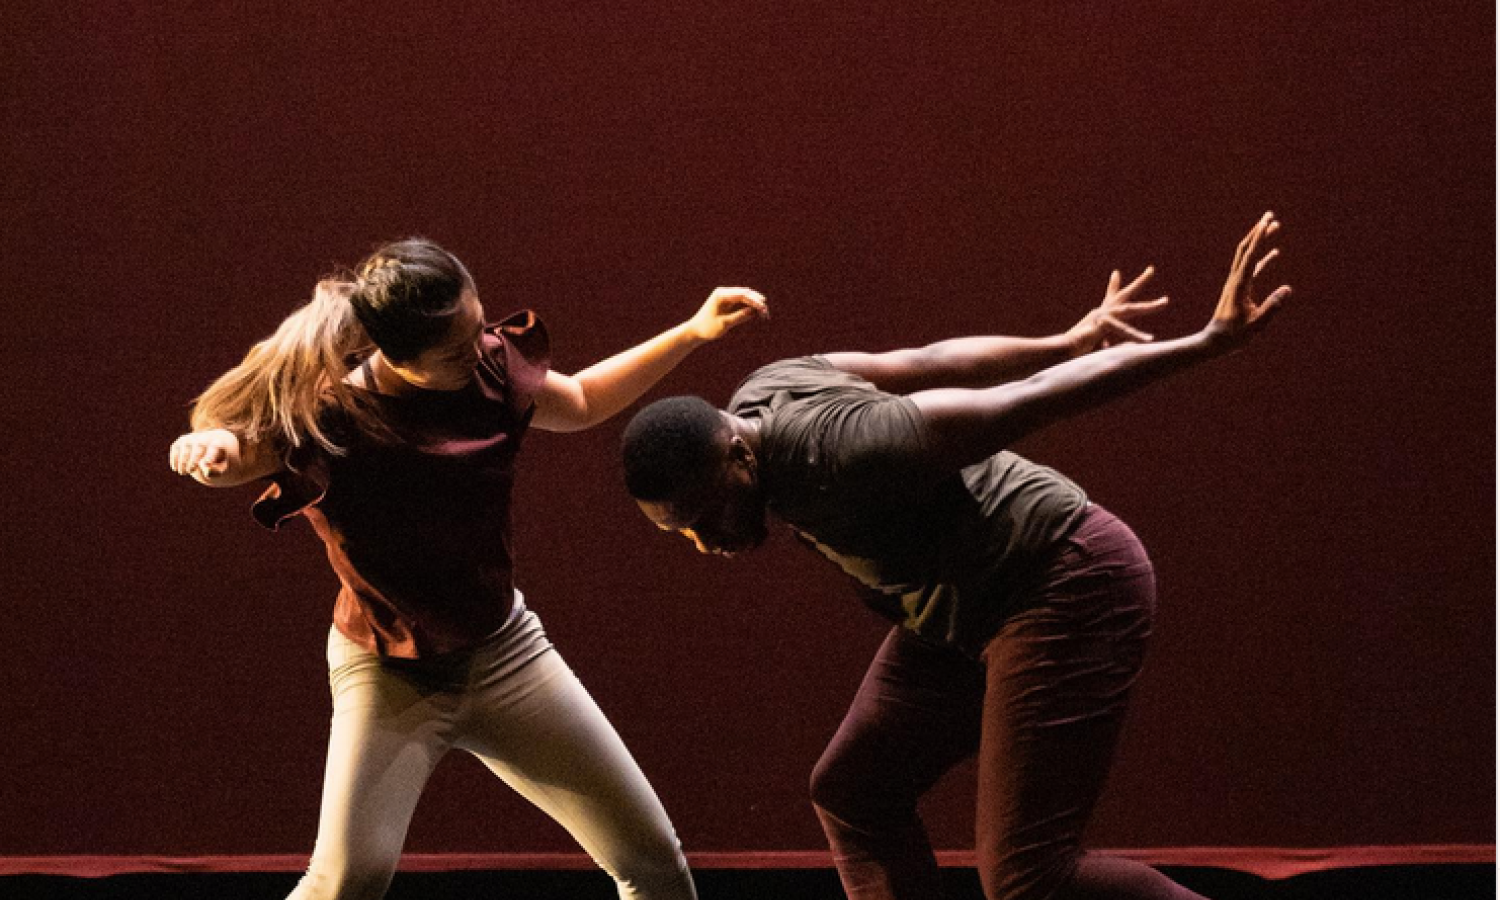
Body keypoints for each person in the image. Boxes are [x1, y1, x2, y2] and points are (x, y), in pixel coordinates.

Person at [621, 215, 1291, 900]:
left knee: (1032, 877)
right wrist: (1064, 338)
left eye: (706, 519)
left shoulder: (854, 450)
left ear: (737, 454)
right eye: (684, 534)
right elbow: (929, 358)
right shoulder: (763, 392)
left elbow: (1031, 400)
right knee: (856, 795)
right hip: (959, 606)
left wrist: (1205, 343)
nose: (706, 542)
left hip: (1062, 579)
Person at [168, 238, 767, 900]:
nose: (478, 351)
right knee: (344, 882)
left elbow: (585, 401)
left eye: (477, 327)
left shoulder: (489, 367)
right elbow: (244, 451)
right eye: (454, 351)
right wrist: (213, 446)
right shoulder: (335, 415)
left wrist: (693, 330)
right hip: (388, 674)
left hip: (503, 654)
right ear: (397, 356)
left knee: (653, 863)